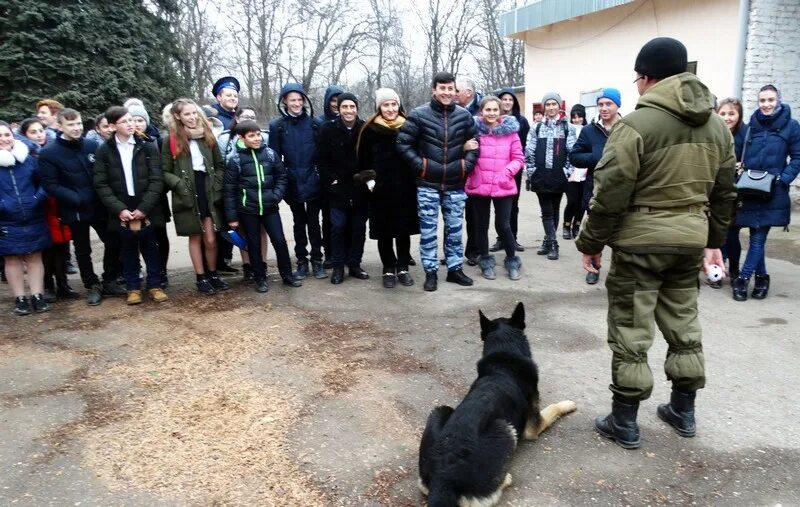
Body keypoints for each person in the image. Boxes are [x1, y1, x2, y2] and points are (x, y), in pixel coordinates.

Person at [576, 37, 736, 449]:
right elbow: (723, 193)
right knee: (683, 322)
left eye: (637, 80)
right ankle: (683, 410)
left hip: (639, 244)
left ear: (646, 78)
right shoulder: (718, 126)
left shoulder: (634, 126)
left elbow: (610, 192)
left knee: (632, 328)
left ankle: (624, 421)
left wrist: (590, 243)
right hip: (689, 241)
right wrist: (713, 242)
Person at [397, 71, 479, 292]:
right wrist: (422, 166)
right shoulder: (419, 115)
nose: (446, 92)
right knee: (429, 232)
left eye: (450, 88)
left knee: (454, 230)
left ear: (455, 91)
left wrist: (465, 166)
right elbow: (403, 144)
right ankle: (430, 272)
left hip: (455, 184)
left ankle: (454, 269)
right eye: (442, 88)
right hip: (427, 185)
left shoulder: (464, 116)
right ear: (434, 90)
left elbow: (475, 144)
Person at [39, 108, 125, 305]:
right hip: (74, 209)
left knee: (114, 241)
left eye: (78, 123)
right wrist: (76, 198)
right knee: (82, 249)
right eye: (71, 125)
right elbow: (50, 185)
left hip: (100, 206)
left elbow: (104, 173)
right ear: (59, 126)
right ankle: (91, 285)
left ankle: (109, 279)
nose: (76, 128)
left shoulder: (91, 145)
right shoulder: (49, 153)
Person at [93, 106, 168, 304]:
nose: (131, 124)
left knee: (151, 248)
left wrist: (144, 208)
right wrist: (119, 209)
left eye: (131, 120)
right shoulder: (104, 150)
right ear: (111, 126)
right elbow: (101, 184)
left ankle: (154, 285)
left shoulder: (147, 146)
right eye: (125, 121)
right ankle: (133, 287)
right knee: (127, 250)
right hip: (122, 207)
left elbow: (156, 179)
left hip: (146, 206)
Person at [732, 85, 800, 301]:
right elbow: (740, 150)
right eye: (762, 100)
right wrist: (739, 166)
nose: (766, 104)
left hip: (774, 191)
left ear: (778, 100)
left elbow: (798, 157)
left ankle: (742, 279)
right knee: (754, 234)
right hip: (751, 188)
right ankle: (762, 277)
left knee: (758, 237)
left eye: (770, 100)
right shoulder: (751, 126)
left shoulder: (791, 126)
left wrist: (784, 177)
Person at [223, 120, 301, 292]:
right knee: (254, 243)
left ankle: (287, 275)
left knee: (280, 241)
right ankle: (260, 278)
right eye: (251, 136)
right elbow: (229, 191)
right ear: (242, 138)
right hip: (248, 210)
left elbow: (281, 177)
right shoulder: (235, 161)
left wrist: (276, 195)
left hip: (269, 207)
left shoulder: (271, 155)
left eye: (258, 134)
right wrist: (232, 218)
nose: (257, 138)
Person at [161, 98, 229, 295]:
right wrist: (180, 185)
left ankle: (213, 273)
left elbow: (220, 165)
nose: (191, 117)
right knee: (195, 236)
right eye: (187, 114)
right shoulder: (171, 140)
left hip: (207, 186)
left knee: (211, 238)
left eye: (194, 113)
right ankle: (201, 277)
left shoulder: (208, 134)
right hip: (188, 189)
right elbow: (165, 171)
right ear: (177, 116)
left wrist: (216, 185)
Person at [357, 88, 419, 289]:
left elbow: (417, 153)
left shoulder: (408, 126)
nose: (391, 109)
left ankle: (402, 267)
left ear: (399, 105)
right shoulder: (369, 129)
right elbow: (362, 158)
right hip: (380, 189)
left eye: (394, 104)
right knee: (384, 231)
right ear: (379, 107)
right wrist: (368, 180)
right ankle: (388, 268)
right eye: (386, 105)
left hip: (405, 187)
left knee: (403, 229)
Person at [268, 83, 326, 280]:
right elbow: (274, 158)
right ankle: (302, 260)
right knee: (298, 223)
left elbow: (322, 155)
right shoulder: (278, 126)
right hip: (292, 181)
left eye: (300, 99)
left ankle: (317, 259)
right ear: (285, 101)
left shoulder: (315, 124)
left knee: (314, 223)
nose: (297, 103)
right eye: (293, 100)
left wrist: (319, 176)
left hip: (313, 180)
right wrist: (281, 183)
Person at [19, 118, 79, 302]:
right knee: (45, 248)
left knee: (61, 245)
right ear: (24, 135)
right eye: (33, 132)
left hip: (57, 204)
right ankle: (48, 285)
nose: (38, 135)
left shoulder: (53, 151)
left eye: (40, 131)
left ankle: (62, 283)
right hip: (38, 206)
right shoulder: (23, 156)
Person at [465, 96, 525, 281]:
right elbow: (463, 153)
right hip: (479, 184)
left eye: (495, 110)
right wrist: (464, 147)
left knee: (503, 225)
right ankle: (486, 261)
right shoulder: (473, 131)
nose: (491, 113)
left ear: (500, 112)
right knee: (481, 226)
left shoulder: (510, 133)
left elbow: (519, 158)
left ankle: (512, 259)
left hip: (502, 184)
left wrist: (506, 173)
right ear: (481, 111)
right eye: (487, 110)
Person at [568, 88, 622, 285]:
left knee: (622, 235)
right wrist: (595, 158)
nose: (604, 108)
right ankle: (594, 268)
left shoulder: (627, 128)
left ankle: (620, 272)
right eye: (601, 104)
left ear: (618, 105)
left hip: (622, 191)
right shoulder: (589, 131)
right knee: (595, 233)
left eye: (609, 104)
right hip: (595, 191)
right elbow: (574, 156)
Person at [316, 93, 369, 285]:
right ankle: (338, 266)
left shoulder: (365, 128)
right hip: (337, 189)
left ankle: (354, 264)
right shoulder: (327, 129)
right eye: (344, 107)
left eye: (352, 107)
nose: (349, 111)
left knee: (358, 227)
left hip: (360, 188)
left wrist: (367, 178)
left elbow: (370, 157)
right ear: (338, 109)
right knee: (337, 227)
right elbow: (321, 159)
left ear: (357, 108)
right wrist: (331, 180)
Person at [0, 121, 52, 315]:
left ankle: (37, 295)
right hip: (5, 219)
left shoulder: (28, 159)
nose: (4, 139)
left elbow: (44, 182)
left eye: (6, 135)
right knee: (12, 259)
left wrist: (37, 198)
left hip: (33, 215)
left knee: (34, 256)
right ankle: (20, 298)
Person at [217, 107, 270, 282]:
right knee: (242, 230)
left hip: (259, 192)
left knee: (261, 230)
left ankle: (261, 263)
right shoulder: (226, 138)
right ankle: (248, 265)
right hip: (238, 191)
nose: (249, 119)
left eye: (253, 117)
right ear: (237, 119)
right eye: (246, 116)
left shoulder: (264, 137)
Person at [525, 91, 577, 261]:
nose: (551, 107)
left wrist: (566, 171)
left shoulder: (567, 127)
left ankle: (548, 241)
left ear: (559, 106)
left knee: (555, 210)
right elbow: (529, 150)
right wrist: (532, 171)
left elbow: (572, 152)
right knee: (546, 211)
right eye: (548, 104)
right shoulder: (537, 127)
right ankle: (554, 243)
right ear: (544, 107)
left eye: (554, 104)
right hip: (541, 175)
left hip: (559, 176)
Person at [127, 102, 171, 289]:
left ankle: (161, 270)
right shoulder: (123, 143)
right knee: (134, 237)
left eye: (140, 120)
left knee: (160, 236)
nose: (137, 124)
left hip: (157, 198)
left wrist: (157, 192)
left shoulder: (158, 141)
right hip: (132, 200)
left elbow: (164, 170)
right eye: (133, 120)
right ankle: (137, 272)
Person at [490, 88, 530, 254]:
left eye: (510, 99)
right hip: (496, 169)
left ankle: (512, 237)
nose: (507, 102)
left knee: (513, 205)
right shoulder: (492, 120)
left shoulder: (522, 121)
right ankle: (501, 239)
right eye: (504, 99)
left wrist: (518, 164)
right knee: (498, 206)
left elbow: (526, 145)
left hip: (514, 168)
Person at [713, 98, 747, 289]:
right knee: (718, 234)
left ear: (739, 115)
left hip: (736, 193)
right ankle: (717, 271)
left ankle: (734, 269)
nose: (727, 118)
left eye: (731, 113)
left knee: (732, 235)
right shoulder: (714, 134)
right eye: (723, 113)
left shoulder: (745, 135)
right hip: (717, 191)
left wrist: (743, 164)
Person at [315, 84, 344, 268]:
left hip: (347, 179)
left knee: (346, 220)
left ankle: (346, 253)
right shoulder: (319, 122)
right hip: (327, 179)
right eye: (333, 100)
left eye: (339, 101)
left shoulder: (352, 122)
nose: (336, 104)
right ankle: (330, 253)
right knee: (328, 219)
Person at [563, 104, 588, 241]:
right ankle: (566, 225)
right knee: (572, 200)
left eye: (579, 116)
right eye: (574, 117)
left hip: (585, 171)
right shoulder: (567, 130)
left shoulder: (589, 130)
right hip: (571, 171)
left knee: (582, 202)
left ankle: (576, 226)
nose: (577, 120)